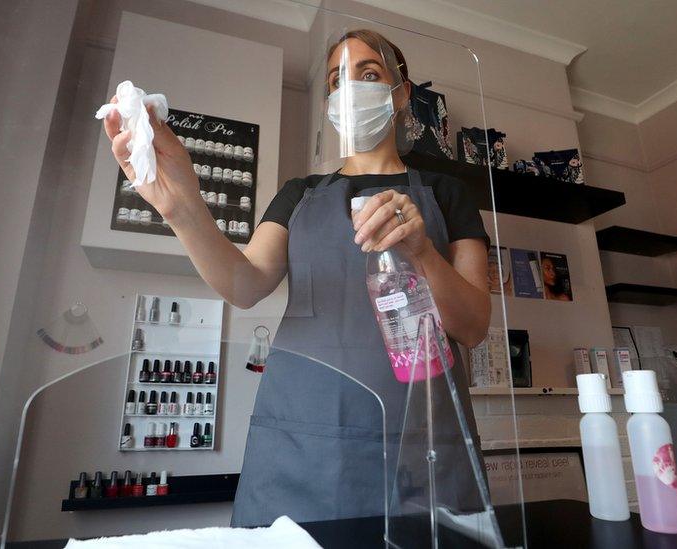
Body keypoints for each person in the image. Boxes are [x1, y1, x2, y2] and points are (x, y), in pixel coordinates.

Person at [102, 29, 491, 527]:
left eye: (368, 74)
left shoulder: (447, 192)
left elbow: (474, 326)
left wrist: (422, 253)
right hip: (302, 444)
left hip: (424, 448)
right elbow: (245, 285)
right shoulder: (298, 193)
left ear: (400, 93)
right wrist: (181, 207)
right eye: (337, 79)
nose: (350, 89)